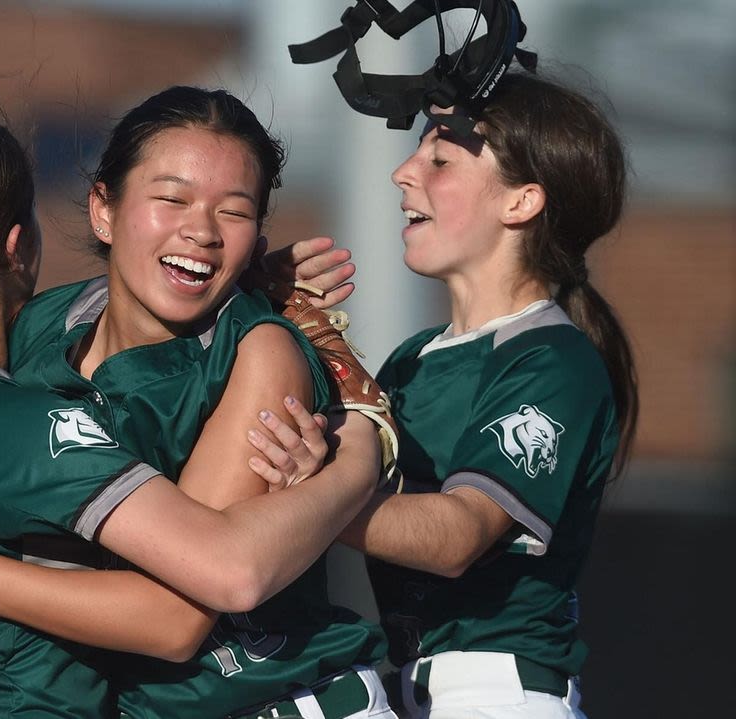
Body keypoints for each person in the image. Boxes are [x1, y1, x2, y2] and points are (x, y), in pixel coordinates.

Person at [0, 91, 397, 719]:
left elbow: (194, 602)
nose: (203, 231)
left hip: (276, 698)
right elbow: (202, 584)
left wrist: (355, 443)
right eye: (172, 198)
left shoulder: (255, 347)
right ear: (101, 210)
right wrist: (358, 458)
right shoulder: (21, 352)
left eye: (233, 212)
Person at [269, 71, 638, 719]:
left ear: (521, 202)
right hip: (409, 688)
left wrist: (316, 498)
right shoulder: (412, 359)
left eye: (439, 158)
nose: (403, 172)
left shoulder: (554, 360)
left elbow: (455, 535)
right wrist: (262, 312)